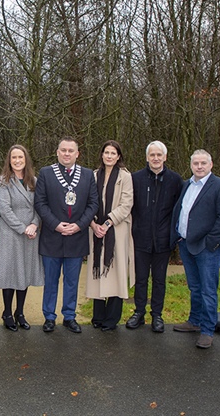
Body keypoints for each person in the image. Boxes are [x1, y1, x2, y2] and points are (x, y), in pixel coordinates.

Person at [170, 149, 220, 349]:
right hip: (186, 244)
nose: (199, 167)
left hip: (208, 249)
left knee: (208, 290)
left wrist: (210, 243)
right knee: (194, 287)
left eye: (203, 163)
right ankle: (195, 321)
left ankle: (207, 330)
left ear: (211, 164)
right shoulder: (186, 184)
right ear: (191, 165)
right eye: (195, 163)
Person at [34, 136, 98, 333]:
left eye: (71, 151)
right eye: (63, 150)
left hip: (76, 237)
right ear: (57, 152)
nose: (67, 154)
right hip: (52, 236)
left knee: (72, 281)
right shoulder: (46, 173)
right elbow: (40, 203)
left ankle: (69, 317)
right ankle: (49, 317)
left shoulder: (87, 175)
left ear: (77, 153)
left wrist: (79, 225)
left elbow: (93, 204)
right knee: (51, 281)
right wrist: (55, 224)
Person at [127, 141, 183, 333]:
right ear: (147, 157)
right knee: (140, 278)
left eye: (159, 155)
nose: (156, 158)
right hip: (140, 238)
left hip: (163, 240)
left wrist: (174, 235)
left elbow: (180, 210)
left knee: (159, 279)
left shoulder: (176, 180)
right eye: (152, 155)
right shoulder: (136, 179)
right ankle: (139, 312)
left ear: (165, 157)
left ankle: (157, 315)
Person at [0, 145, 44, 331]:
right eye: (13, 157)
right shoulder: (3, 181)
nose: (17, 160)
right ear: (9, 160)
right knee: (11, 274)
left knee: (25, 273)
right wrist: (23, 228)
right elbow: (4, 210)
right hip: (11, 234)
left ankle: (19, 313)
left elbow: (40, 205)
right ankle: (7, 313)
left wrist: (35, 224)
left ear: (26, 159)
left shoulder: (34, 181)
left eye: (20, 157)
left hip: (31, 233)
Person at [86, 140, 134, 331]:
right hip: (95, 229)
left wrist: (107, 223)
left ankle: (111, 319)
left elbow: (127, 204)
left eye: (113, 153)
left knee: (115, 273)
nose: (109, 156)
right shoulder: (93, 175)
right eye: (106, 152)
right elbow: (88, 201)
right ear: (102, 155)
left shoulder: (125, 176)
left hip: (117, 230)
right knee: (97, 271)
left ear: (119, 156)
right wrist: (93, 223)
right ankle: (98, 317)